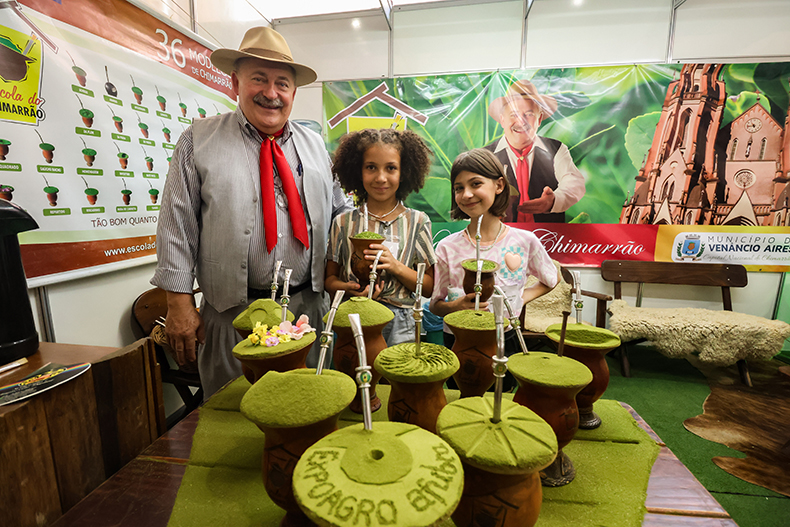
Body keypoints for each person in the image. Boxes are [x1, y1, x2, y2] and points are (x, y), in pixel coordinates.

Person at [151, 27, 351, 398]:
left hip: (308, 312)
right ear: (235, 83)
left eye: (282, 83)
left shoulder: (315, 145)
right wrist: (178, 304)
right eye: (258, 79)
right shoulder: (198, 140)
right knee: (233, 415)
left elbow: (341, 213)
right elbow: (176, 226)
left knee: (308, 407)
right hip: (232, 317)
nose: (271, 93)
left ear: (293, 93)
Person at [430, 148, 559, 389]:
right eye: (459, 188)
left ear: (499, 185)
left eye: (475, 184)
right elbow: (435, 305)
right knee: (461, 397)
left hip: (504, 337)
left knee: (502, 395)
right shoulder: (447, 247)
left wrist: (519, 299)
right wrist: (454, 307)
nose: (467, 194)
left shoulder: (524, 242)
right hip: (457, 339)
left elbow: (552, 279)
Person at [325, 128, 437, 345]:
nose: (380, 177)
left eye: (391, 168)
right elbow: (329, 280)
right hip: (353, 317)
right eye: (371, 167)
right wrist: (347, 288)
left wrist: (395, 266)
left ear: (404, 172)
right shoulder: (343, 223)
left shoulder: (418, 222)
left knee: (396, 367)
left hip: (400, 323)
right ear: (358, 171)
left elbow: (428, 286)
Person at [484, 79, 585, 223]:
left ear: (539, 119)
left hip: (548, 234)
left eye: (529, 114)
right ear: (502, 120)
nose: (521, 121)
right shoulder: (485, 156)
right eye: (513, 114)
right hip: (501, 235)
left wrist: (553, 200)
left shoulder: (556, 149)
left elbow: (574, 182)